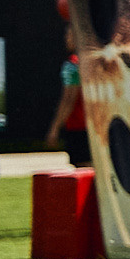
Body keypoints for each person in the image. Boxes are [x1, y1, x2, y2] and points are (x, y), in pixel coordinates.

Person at [46, 29, 88, 166]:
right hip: (94, 126)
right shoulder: (93, 62)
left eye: (70, 35)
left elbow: (68, 100)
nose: (66, 38)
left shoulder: (72, 66)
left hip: (77, 127)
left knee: (82, 171)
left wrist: (55, 128)